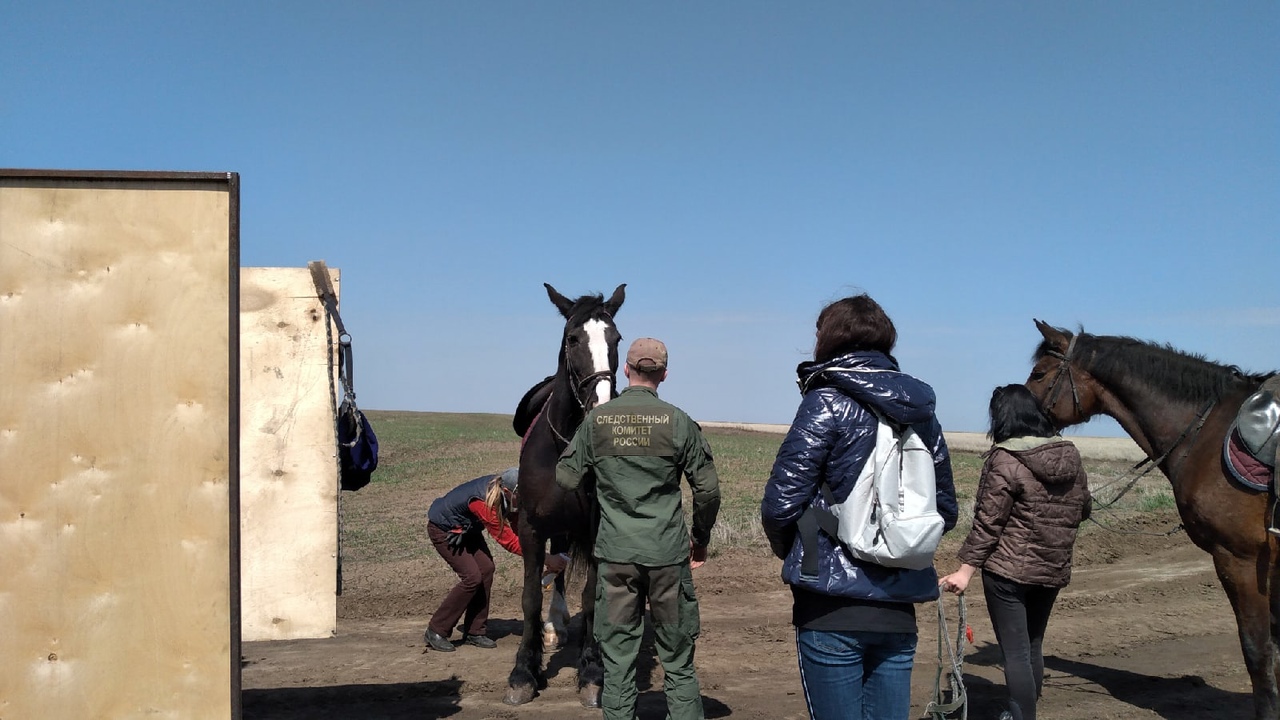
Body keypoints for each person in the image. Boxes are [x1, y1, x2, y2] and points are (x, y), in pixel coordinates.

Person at [760, 293, 958, 720]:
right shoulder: (922, 413)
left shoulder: (825, 400)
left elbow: (781, 503)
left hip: (829, 602)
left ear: (828, 339)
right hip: (900, 604)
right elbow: (946, 509)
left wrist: (800, 549)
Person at [556, 337, 721, 720]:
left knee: (617, 663)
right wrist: (700, 539)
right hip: (667, 555)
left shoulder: (597, 422)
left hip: (615, 557)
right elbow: (708, 491)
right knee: (678, 660)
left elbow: (565, 479)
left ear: (626, 371)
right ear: (664, 374)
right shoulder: (678, 421)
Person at [938, 384, 1092, 720]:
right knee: (1033, 645)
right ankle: (1027, 709)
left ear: (1001, 418)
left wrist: (965, 571)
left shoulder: (1005, 459)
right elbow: (1084, 509)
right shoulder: (1071, 454)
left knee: (1016, 653)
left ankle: (1023, 715)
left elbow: (988, 522)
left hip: (1007, 574)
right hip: (1052, 569)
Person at [424, 467, 568, 652]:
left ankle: (475, 631)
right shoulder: (485, 502)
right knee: (472, 578)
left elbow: (520, 534)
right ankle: (436, 629)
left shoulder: (512, 499)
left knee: (486, 569)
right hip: (444, 530)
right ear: (508, 492)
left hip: (466, 530)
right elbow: (508, 541)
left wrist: (540, 560)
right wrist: (547, 558)